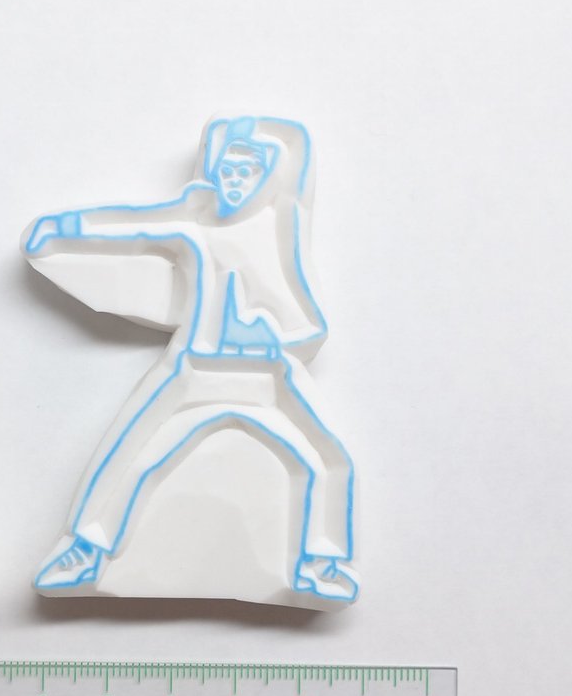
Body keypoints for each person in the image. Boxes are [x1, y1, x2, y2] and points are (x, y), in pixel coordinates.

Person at [24, 116, 356, 603]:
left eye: (247, 173)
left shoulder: (276, 234)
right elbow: (136, 225)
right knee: (135, 454)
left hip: (268, 375)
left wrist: (275, 330)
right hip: (196, 372)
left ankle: (321, 562)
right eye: (228, 171)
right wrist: (64, 229)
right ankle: (86, 550)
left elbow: (309, 323)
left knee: (323, 461)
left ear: (268, 180)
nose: (235, 182)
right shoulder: (195, 227)